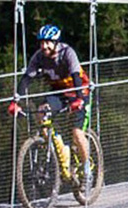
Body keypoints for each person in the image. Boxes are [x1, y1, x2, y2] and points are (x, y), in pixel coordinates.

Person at [9, 24, 93, 170]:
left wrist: (79, 98)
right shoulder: (39, 57)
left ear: (55, 43)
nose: (44, 46)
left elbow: (76, 76)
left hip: (80, 91)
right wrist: (15, 102)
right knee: (41, 114)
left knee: (77, 133)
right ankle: (61, 151)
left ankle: (87, 168)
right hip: (59, 93)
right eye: (42, 42)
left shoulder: (67, 53)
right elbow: (26, 79)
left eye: (48, 42)